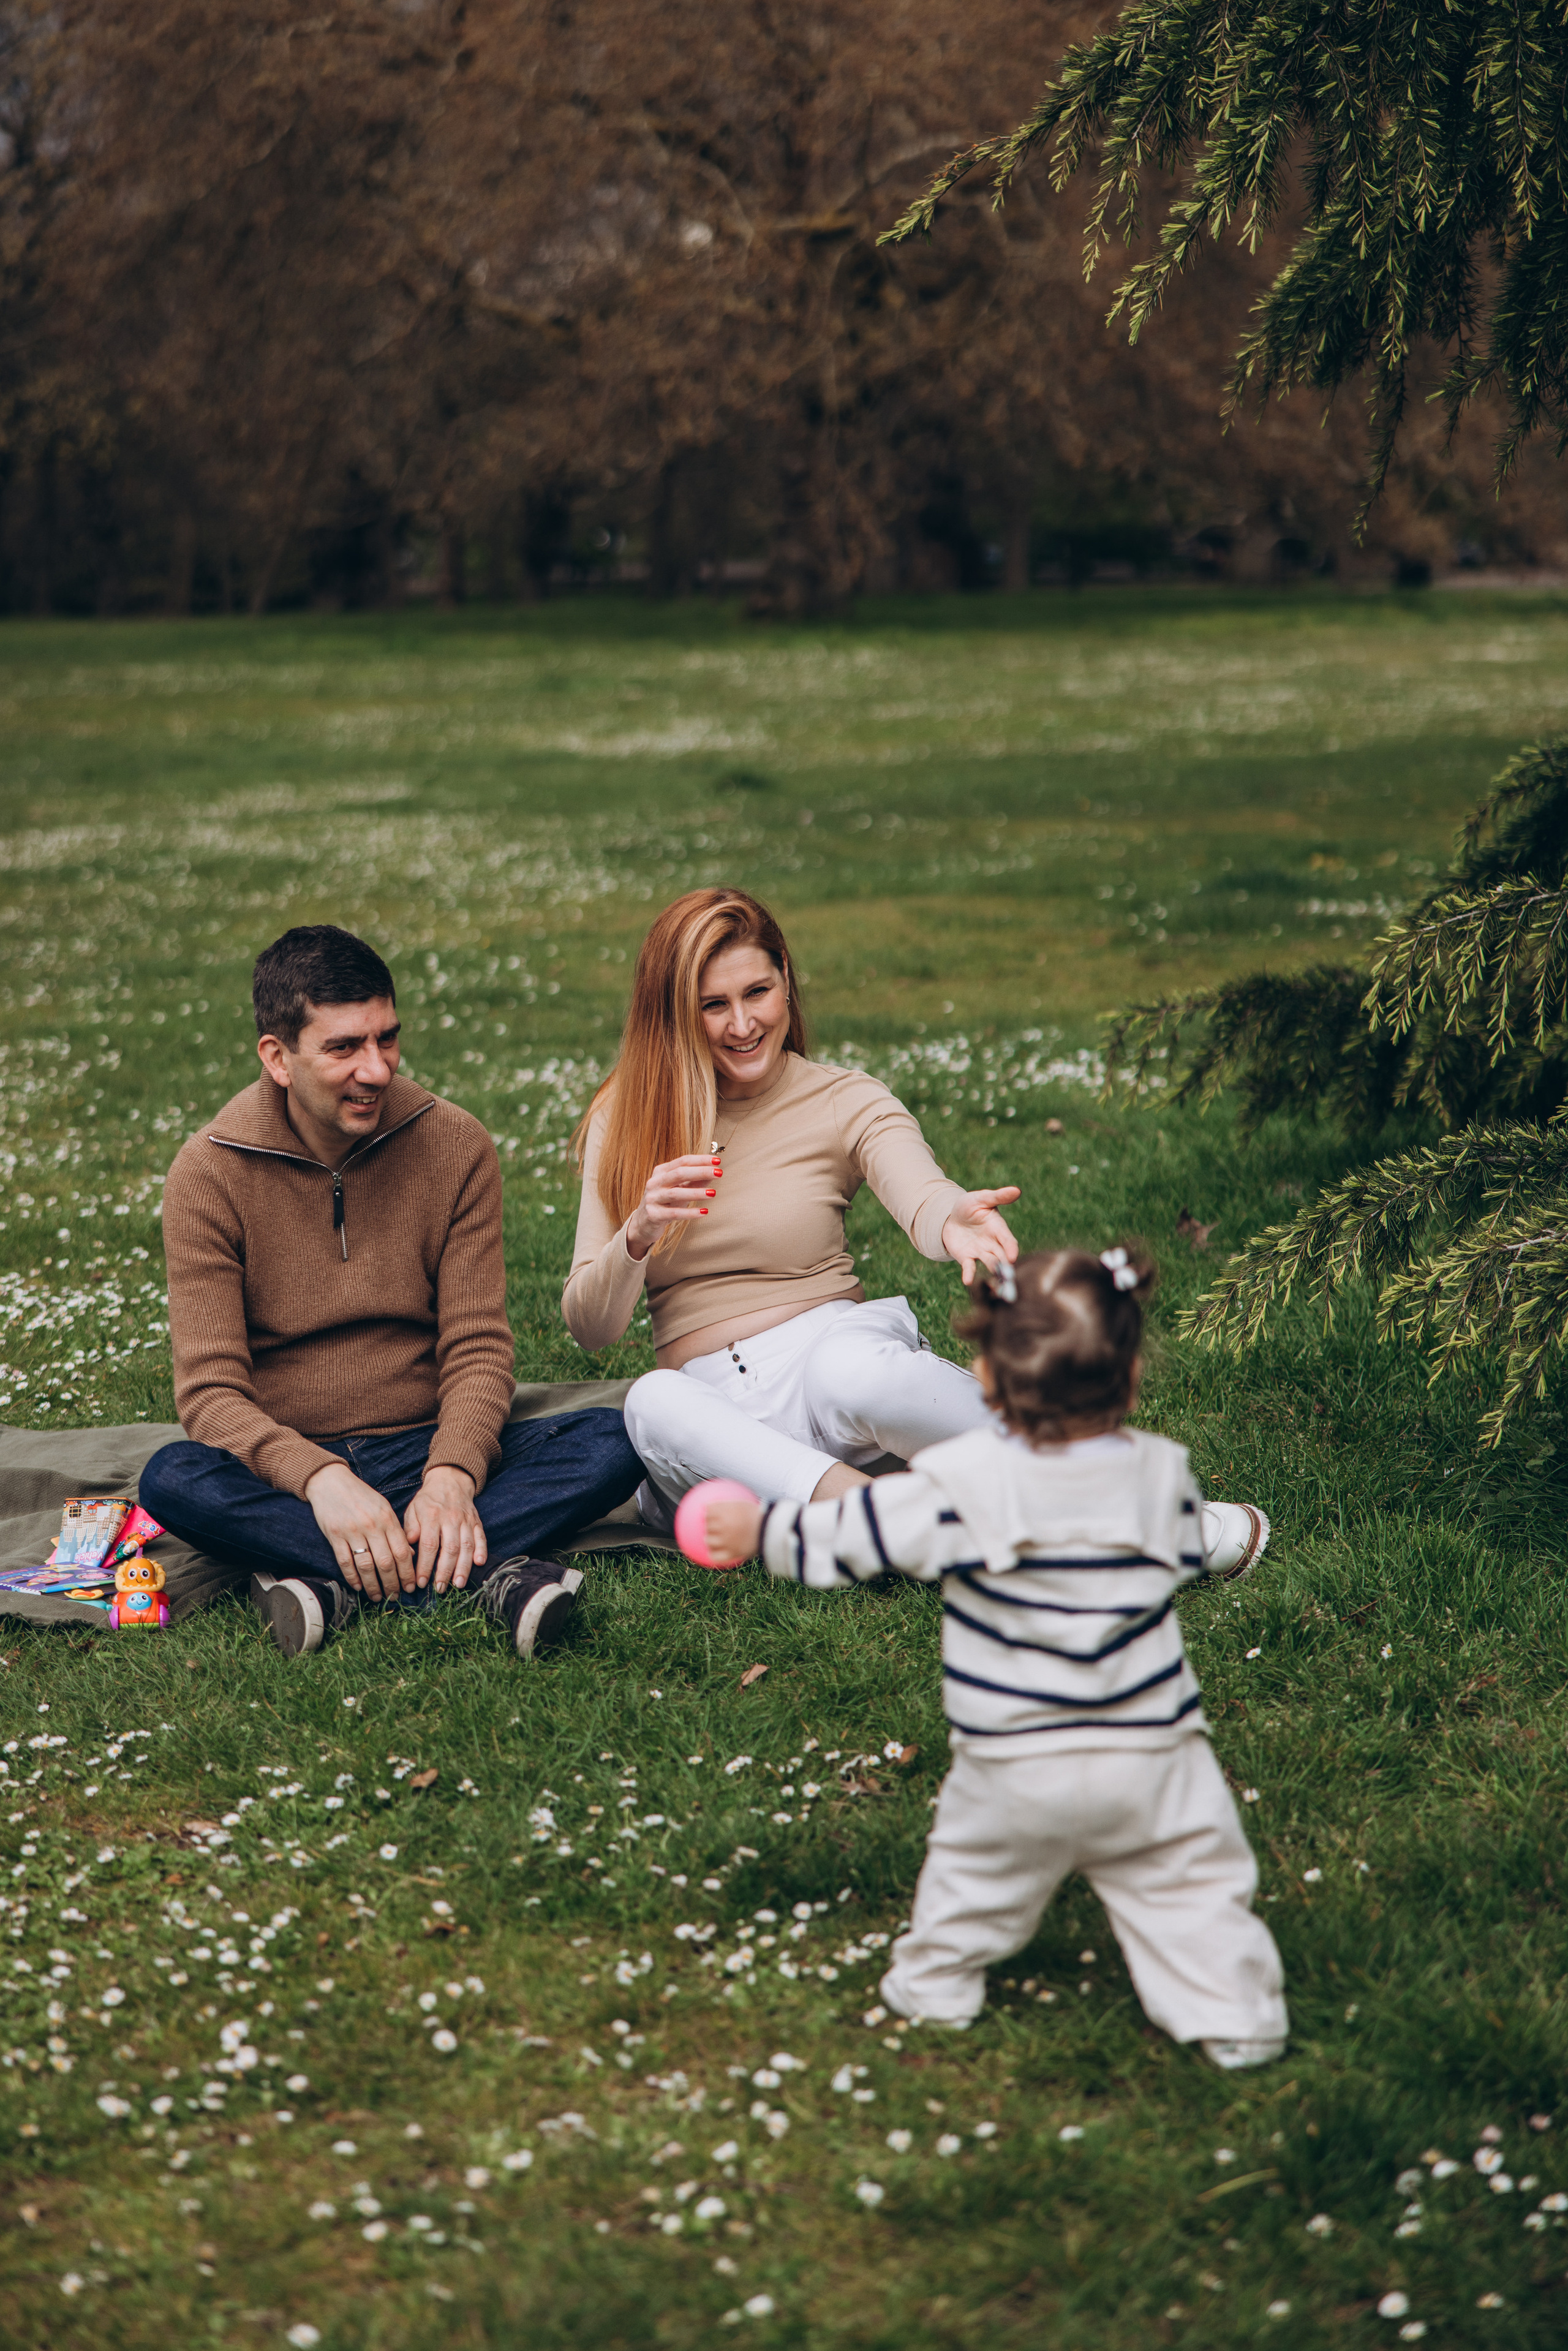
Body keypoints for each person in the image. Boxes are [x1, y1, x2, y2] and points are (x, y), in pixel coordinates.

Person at [689, 1245, 1289, 2068]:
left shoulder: (961, 1484)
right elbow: (1181, 1541)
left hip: (1016, 1758)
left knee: (975, 1879)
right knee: (1189, 1885)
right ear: (1134, 1375)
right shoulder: (1162, 1475)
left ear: (989, 1384)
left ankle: (935, 1983)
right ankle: (1238, 2017)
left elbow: (857, 1531)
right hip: (1152, 1752)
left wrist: (763, 1530)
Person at [563, 886, 1269, 1579]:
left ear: (786, 981)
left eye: (758, 992)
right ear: (674, 1013)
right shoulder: (624, 1116)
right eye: (713, 1005)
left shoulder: (842, 1097)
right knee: (652, 1402)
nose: (742, 1023)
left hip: (830, 1375)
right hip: (723, 1434)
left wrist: (950, 1218)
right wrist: (639, 1230)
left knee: (853, 1370)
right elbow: (590, 1326)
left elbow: (918, 1186)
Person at [142, 925, 642, 1659]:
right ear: (277, 1058)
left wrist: (451, 1474)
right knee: (172, 1477)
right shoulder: (208, 1174)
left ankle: (331, 1581)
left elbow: (477, 1348)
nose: (375, 1069)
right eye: (344, 1047)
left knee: (617, 1437)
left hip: (422, 1440)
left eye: (387, 1039)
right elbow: (211, 1394)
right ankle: (487, 1572)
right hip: (293, 1467)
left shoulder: (455, 1144)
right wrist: (320, 1480)